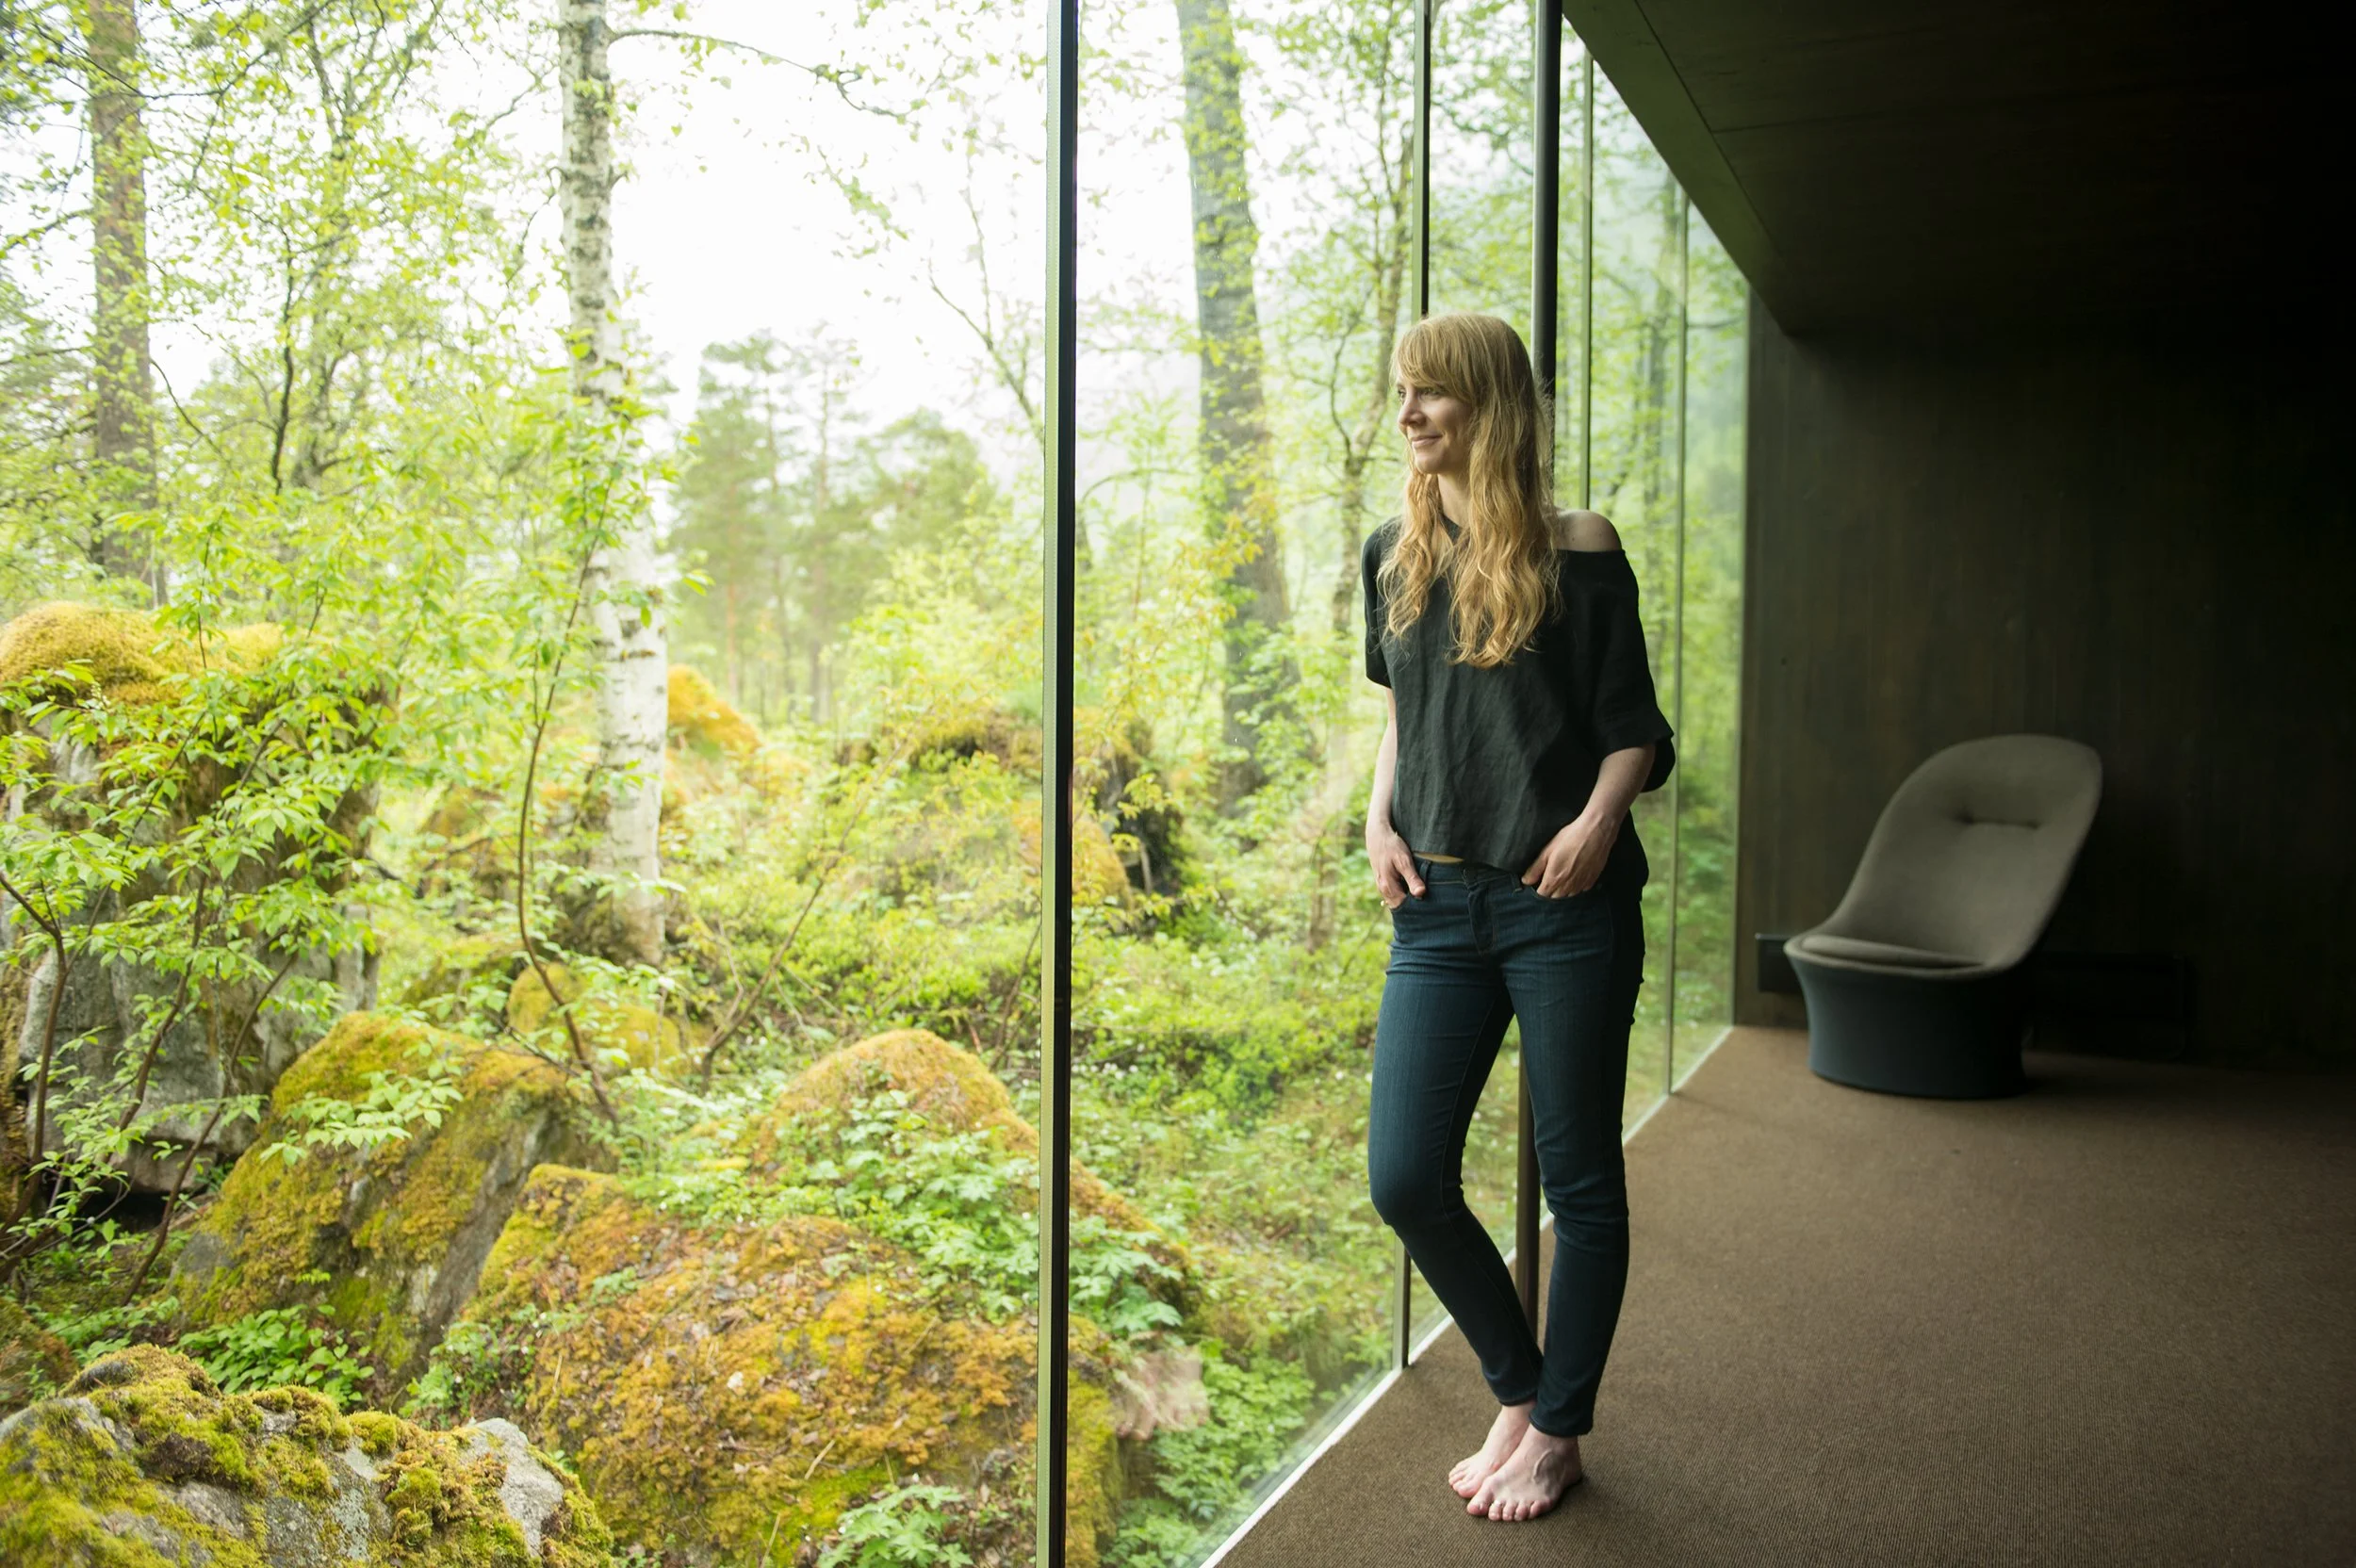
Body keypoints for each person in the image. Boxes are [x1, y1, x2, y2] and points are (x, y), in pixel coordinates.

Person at [1362, 310, 1674, 1522]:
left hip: (1563, 905)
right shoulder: (1396, 548)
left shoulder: (1577, 543)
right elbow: (1403, 712)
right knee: (1404, 1177)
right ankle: (1522, 1385)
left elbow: (1632, 727)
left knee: (1579, 1176)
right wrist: (1377, 823)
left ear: (1488, 400)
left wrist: (1597, 824)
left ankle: (1556, 1430)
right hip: (1434, 907)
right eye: (1401, 394)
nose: (1409, 416)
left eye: (1432, 393)